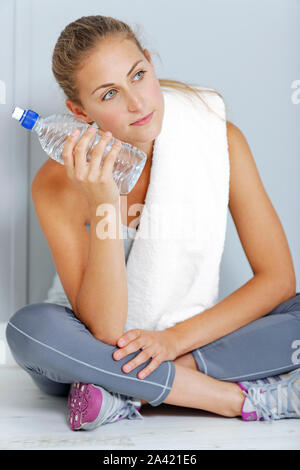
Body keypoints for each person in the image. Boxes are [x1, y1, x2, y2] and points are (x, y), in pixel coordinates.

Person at [6, 15, 300, 432]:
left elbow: (277, 280)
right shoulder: (55, 185)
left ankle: (121, 391)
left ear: (150, 62)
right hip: (84, 347)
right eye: (109, 94)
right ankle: (231, 399)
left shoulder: (218, 140)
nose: (137, 103)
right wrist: (104, 200)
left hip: (185, 338)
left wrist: (173, 341)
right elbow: (105, 330)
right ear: (79, 112)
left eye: (138, 75)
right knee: (29, 328)